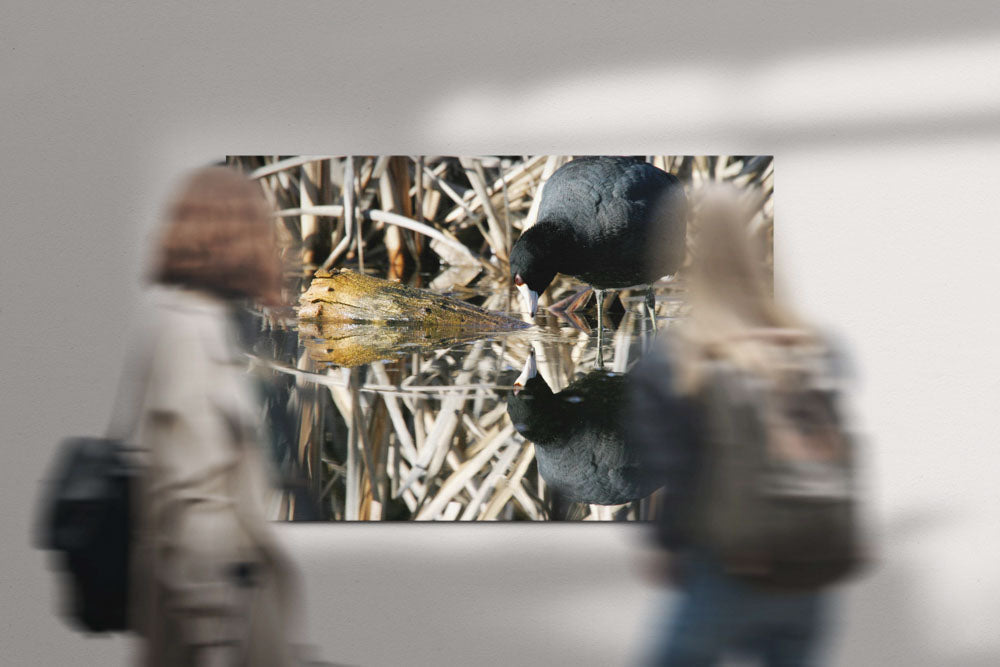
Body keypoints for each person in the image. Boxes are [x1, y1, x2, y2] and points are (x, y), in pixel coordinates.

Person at [629, 187, 850, 666]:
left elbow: (679, 470)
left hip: (725, 565)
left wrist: (666, 546)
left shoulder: (678, 358)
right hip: (808, 568)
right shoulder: (817, 347)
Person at [121, 166, 300, 666]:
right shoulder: (188, 335)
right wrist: (216, 643)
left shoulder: (191, 323)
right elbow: (191, 501)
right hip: (217, 624)